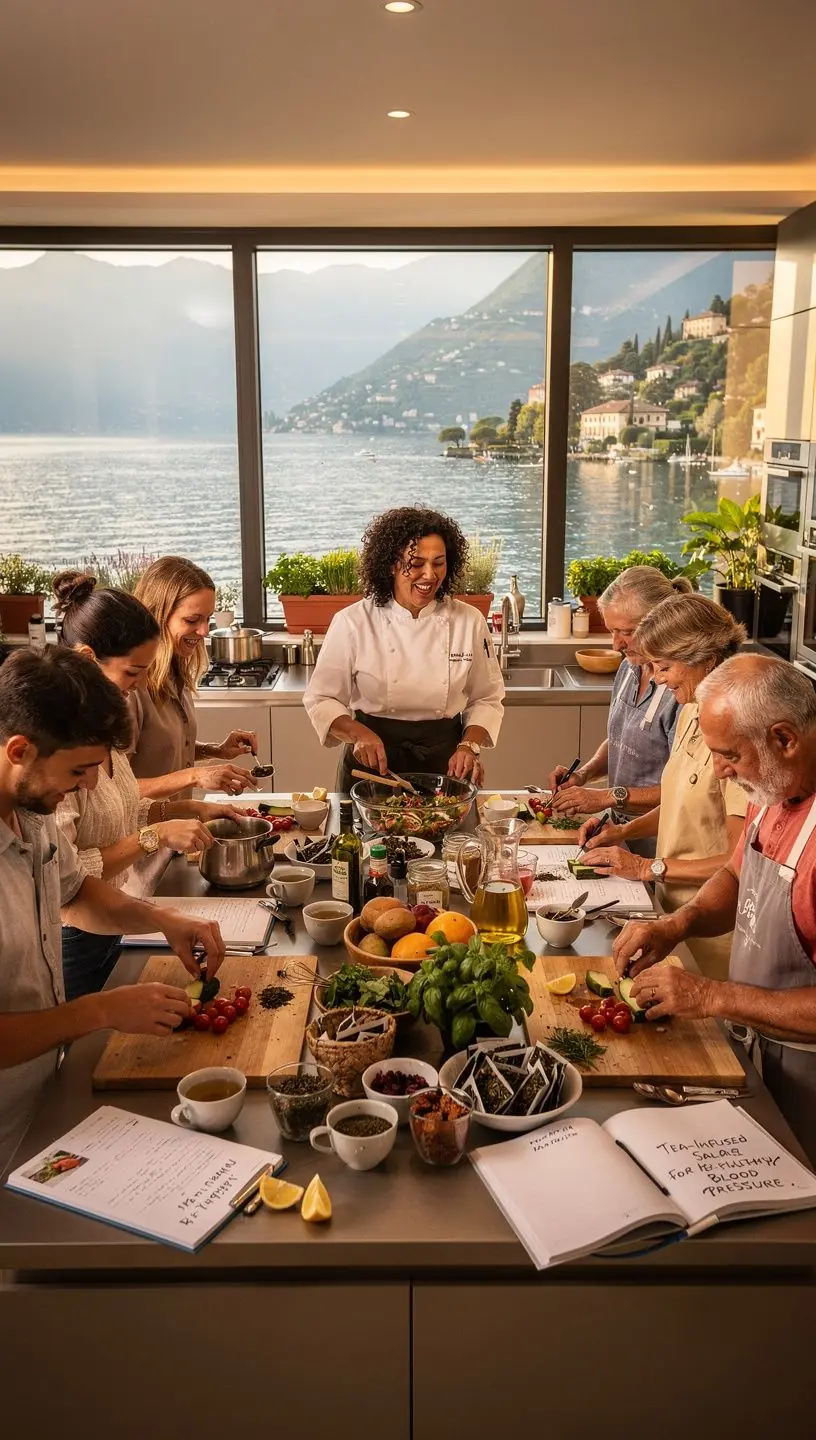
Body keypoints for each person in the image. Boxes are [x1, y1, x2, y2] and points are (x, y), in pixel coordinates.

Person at [0, 648, 225, 1174]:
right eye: (79, 770)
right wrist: (99, 1011)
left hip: (41, 1100)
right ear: (19, 750)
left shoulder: (31, 814)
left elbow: (76, 892)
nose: (89, 786)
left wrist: (161, 920)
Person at [612, 655, 816, 1163]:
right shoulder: (775, 785)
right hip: (759, 1051)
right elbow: (737, 875)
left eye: (730, 755)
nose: (721, 770)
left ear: (784, 738)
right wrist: (677, 924)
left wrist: (710, 995)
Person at [52, 571, 241, 1000]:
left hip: (112, 918)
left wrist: (184, 810)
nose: (138, 685)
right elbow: (68, 879)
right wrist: (155, 835)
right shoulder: (60, 750)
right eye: (133, 672)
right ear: (87, 658)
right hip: (73, 936)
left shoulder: (102, 724)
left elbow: (122, 806)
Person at [581, 593, 748, 976]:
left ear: (706, 659)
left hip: (713, 934)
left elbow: (737, 862)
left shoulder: (737, 733)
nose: (656, 678)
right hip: (669, 914)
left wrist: (645, 867)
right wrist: (620, 831)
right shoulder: (691, 710)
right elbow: (677, 804)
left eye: (665, 667)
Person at [303, 507, 504, 789]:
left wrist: (469, 746)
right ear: (391, 564)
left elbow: (487, 698)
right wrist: (358, 734)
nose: (429, 575)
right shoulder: (353, 621)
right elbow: (321, 698)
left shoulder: (468, 621)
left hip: (446, 764)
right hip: (371, 766)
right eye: (416, 563)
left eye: (438, 563)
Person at [547, 566, 691, 854]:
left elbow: (686, 789)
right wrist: (584, 774)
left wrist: (605, 797)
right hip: (619, 832)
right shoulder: (629, 667)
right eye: (612, 631)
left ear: (661, 622)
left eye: (627, 632)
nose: (616, 644)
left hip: (663, 842)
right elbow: (622, 738)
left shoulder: (682, 687)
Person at [131, 556, 258, 797]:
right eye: (192, 620)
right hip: (146, 824)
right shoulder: (131, 687)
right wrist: (196, 776)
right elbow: (112, 791)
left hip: (178, 819)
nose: (204, 631)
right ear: (157, 616)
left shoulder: (174, 669)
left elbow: (161, 751)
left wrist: (216, 750)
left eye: (208, 618)